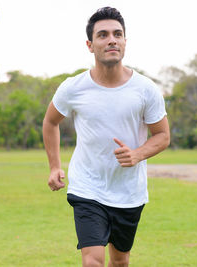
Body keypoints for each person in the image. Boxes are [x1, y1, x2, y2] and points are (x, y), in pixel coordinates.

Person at [42, 6, 170, 267]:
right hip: (87, 187)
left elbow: (163, 136)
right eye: (103, 35)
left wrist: (137, 154)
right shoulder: (73, 88)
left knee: (120, 261)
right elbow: (50, 121)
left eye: (117, 34)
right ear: (90, 45)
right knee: (93, 262)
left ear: (124, 41)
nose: (111, 39)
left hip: (129, 191)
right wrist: (55, 166)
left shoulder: (145, 89)